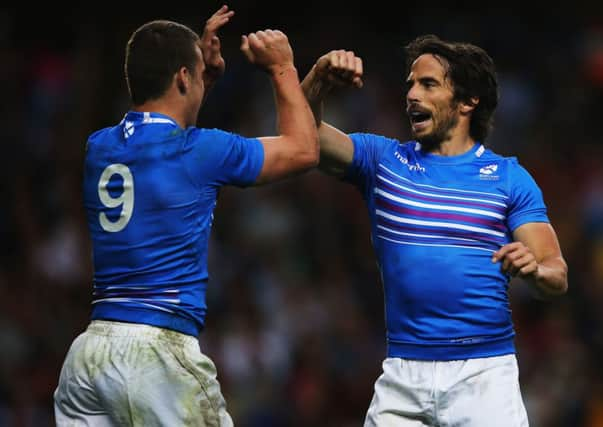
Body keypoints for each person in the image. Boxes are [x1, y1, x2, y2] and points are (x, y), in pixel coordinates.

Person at [53, 5, 318, 426]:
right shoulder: (202, 151)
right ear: (181, 77)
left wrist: (201, 77)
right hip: (159, 355)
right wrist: (282, 67)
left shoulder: (99, 147)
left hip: (89, 358)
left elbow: (167, 143)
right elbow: (304, 150)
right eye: (194, 74)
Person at [301, 34, 568, 426]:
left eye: (427, 84)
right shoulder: (383, 160)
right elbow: (302, 137)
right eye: (410, 83)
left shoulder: (509, 178)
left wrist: (535, 270)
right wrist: (317, 81)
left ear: (467, 101)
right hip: (402, 376)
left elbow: (556, 274)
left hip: (484, 375)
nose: (411, 94)